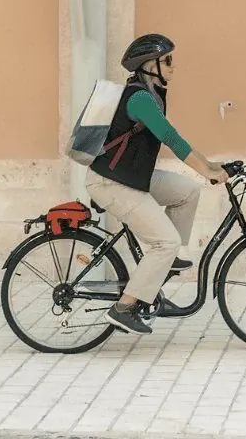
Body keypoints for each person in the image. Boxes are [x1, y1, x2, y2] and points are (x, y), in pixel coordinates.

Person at [88, 32, 230, 335]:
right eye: (167, 60)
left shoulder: (150, 94)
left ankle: (159, 272)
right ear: (149, 65)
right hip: (111, 183)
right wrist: (207, 171)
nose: (173, 66)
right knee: (164, 241)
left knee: (187, 191)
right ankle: (123, 308)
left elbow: (175, 138)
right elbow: (171, 139)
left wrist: (210, 166)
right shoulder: (139, 98)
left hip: (130, 176)